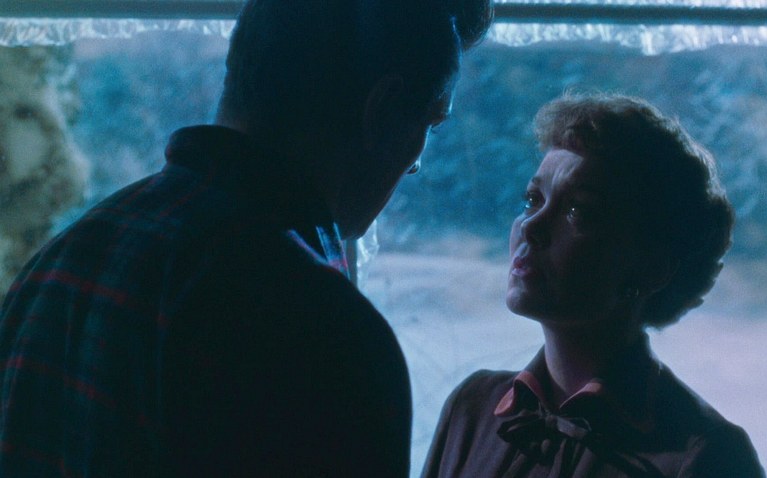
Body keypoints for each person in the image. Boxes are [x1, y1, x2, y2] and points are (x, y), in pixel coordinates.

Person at [0, 1, 493, 476]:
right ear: (381, 112)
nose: (415, 164)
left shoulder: (57, 266)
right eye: (430, 122)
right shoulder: (324, 333)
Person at [421, 94, 765, 477]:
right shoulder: (473, 409)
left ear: (652, 268)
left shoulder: (704, 457)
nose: (531, 226)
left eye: (578, 210)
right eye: (532, 199)